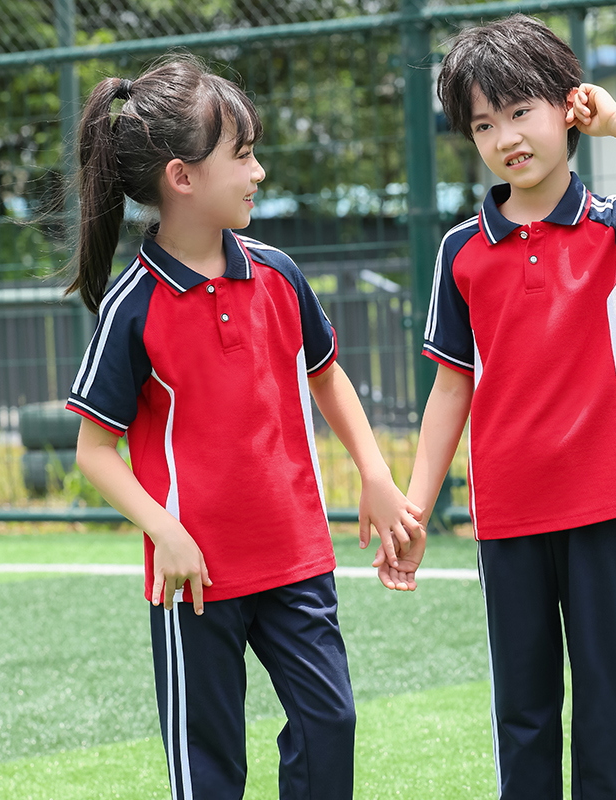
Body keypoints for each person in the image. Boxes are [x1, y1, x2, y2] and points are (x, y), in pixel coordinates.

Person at [375, 14, 616, 800]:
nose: (506, 135)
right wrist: (414, 510)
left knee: (609, 712)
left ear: (567, 110)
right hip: (506, 516)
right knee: (524, 717)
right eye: (483, 122)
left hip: (609, 505)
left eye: (521, 111)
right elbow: (451, 387)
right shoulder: (458, 252)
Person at [64, 56, 421, 800]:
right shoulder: (132, 305)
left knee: (331, 726)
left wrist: (377, 475)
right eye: (245, 153)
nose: (259, 171)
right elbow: (95, 451)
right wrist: (165, 530)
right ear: (182, 177)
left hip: (297, 557)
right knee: (209, 766)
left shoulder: (280, 273)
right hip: (192, 578)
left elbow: (326, 376)